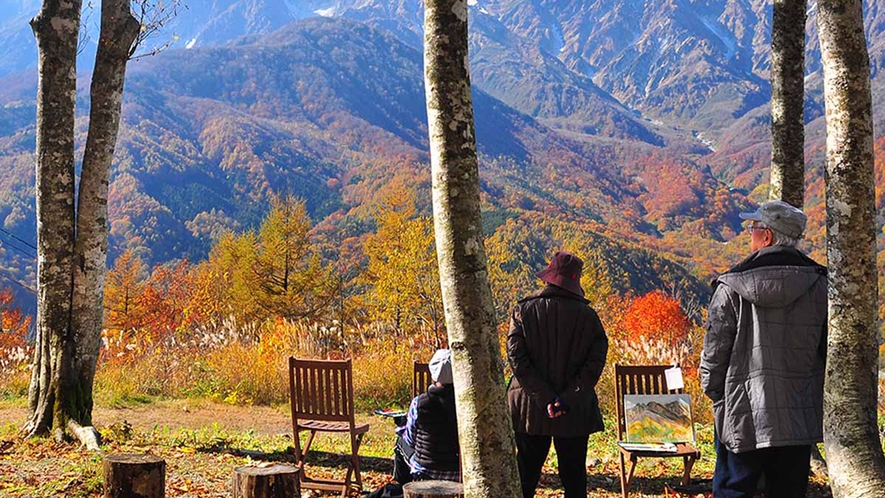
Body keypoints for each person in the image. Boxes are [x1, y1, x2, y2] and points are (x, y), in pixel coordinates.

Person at [701, 200, 827, 498]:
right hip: (798, 415)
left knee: (734, 490)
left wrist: (717, 395)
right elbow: (827, 351)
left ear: (767, 236)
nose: (750, 234)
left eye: (753, 228)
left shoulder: (731, 287)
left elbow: (714, 355)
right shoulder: (821, 285)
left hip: (742, 413)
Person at [507, 251, 608, 498]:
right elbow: (594, 364)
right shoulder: (589, 317)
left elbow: (517, 359)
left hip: (529, 408)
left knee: (526, 475)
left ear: (549, 277)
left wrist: (544, 398)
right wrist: (565, 399)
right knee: (574, 478)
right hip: (574, 411)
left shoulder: (523, 311)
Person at [393, 349, 460, 484]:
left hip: (426, 471)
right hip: (460, 471)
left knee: (400, 442)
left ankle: (400, 486)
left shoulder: (419, 402)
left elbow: (410, 440)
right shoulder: (467, 404)